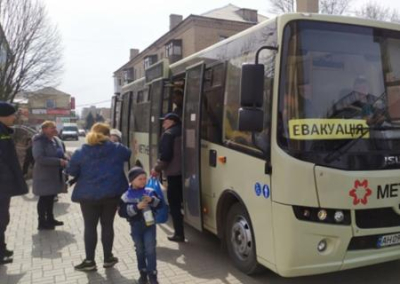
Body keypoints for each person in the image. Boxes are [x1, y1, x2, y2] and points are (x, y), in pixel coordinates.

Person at [66, 123, 131, 271]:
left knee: (90, 226)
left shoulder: (81, 151)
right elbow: (128, 154)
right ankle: (108, 258)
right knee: (107, 225)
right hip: (111, 194)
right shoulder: (117, 148)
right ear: (108, 135)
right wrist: (115, 141)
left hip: (87, 195)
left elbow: (71, 170)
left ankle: (90, 261)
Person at [118, 167, 162, 284]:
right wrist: (136, 207)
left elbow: (160, 205)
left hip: (150, 225)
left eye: (144, 178)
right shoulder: (126, 195)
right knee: (140, 250)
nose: (143, 181)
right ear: (132, 181)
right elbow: (121, 212)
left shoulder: (149, 191)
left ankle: (152, 275)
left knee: (150, 249)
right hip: (135, 226)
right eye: (140, 179)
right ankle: (142, 273)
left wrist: (152, 200)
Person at [0, 102, 28, 264]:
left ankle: (2, 248)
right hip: (2, 185)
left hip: (4, 185)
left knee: (3, 217)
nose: (14, 118)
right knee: (1, 218)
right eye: (11, 115)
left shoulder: (4, 131)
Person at [151, 112, 184, 242]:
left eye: (165, 121)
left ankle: (179, 234)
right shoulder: (185, 130)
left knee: (174, 204)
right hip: (185, 172)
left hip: (174, 174)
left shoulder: (168, 134)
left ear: (171, 122)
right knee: (180, 201)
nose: (163, 124)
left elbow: (166, 156)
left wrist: (156, 169)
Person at [32, 121, 68, 230]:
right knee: (44, 198)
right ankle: (42, 222)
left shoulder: (56, 140)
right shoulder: (39, 141)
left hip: (54, 175)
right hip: (44, 175)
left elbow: (61, 153)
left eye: (55, 127)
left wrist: (66, 157)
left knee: (51, 198)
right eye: (52, 127)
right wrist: (58, 162)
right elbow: (39, 158)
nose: (55, 129)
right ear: (44, 129)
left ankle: (50, 219)